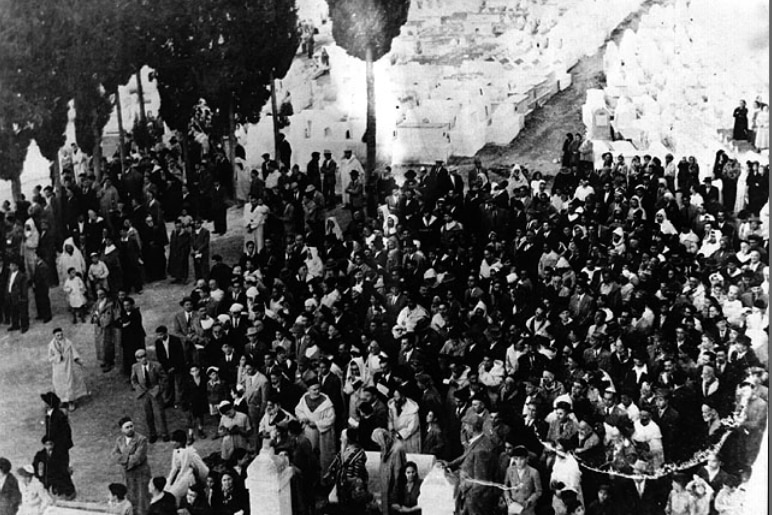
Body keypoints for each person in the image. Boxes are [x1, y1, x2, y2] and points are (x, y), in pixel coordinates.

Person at [110, 417, 151, 515]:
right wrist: (126, 458)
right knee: (130, 497)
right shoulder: (119, 440)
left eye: (131, 426)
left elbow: (137, 458)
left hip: (141, 474)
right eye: (127, 427)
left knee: (142, 499)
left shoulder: (142, 439)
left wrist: (123, 459)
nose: (130, 429)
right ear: (122, 430)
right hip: (127, 474)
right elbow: (114, 454)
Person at [294, 378, 336, 475]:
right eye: (314, 389)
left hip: (322, 433)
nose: (317, 391)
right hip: (308, 431)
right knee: (308, 454)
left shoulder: (326, 402)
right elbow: (298, 410)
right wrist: (303, 417)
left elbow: (331, 419)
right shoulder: (304, 398)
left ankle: (323, 477)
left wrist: (317, 423)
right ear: (308, 390)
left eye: (318, 389)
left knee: (323, 456)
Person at [130, 349, 170, 443]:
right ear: (137, 359)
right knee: (148, 414)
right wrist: (138, 388)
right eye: (140, 357)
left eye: (144, 356)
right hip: (144, 393)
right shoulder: (135, 367)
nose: (143, 359)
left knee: (159, 413)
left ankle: (164, 433)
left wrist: (160, 388)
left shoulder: (156, 365)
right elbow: (133, 380)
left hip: (155, 392)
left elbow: (164, 378)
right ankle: (152, 434)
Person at [47, 328, 88, 411]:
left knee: (70, 383)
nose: (60, 336)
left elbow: (74, 353)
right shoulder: (51, 345)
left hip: (68, 366)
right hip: (58, 369)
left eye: (61, 334)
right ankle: (63, 400)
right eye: (58, 335)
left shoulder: (68, 343)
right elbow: (50, 358)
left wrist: (78, 360)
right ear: (54, 336)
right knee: (59, 384)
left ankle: (71, 402)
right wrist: (57, 357)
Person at [166, 430, 209, 502]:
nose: (172, 443)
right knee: (166, 489)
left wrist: (202, 481)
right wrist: (170, 481)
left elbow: (202, 469)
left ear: (181, 442)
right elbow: (174, 468)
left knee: (174, 493)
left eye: (175, 441)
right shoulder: (176, 451)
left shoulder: (190, 453)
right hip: (177, 474)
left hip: (187, 476)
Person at [371, 428, 406, 515]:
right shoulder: (386, 446)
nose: (378, 444)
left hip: (393, 485)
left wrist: (395, 490)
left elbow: (398, 471)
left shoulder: (396, 449)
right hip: (386, 483)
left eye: (378, 441)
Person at [503, 445, 541, 515]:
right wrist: (508, 498)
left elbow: (538, 491)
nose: (519, 462)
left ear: (527, 459)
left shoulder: (533, 472)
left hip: (527, 508)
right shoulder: (509, 470)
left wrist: (529, 501)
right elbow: (505, 487)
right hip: (513, 507)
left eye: (521, 459)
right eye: (516, 459)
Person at [91, 287, 116, 373]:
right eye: (98, 294)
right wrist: (95, 317)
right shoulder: (97, 303)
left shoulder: (109, 304)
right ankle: (104, 360)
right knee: (100, 344)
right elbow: (94, 312)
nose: (100, 296)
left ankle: (109, 361)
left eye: (101, 294)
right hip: (98, 327)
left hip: (106, 327)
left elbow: (109, 316)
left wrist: (102, 321)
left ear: (105, 294)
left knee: (107, 344)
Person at [5, 259, 29, 333]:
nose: (10, 267)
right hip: (11, 296)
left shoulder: (22, 276)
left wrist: (23, 297)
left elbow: (24, 288)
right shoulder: (10, 274)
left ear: (17, 266)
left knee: (23, 313)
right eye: (10, 265)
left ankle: (25, 326)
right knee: (13, 311)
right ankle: (15, 325)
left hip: (19, 297)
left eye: (12, 265)